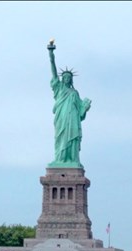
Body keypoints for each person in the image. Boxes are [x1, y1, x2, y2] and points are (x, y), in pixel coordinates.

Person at [47, 40, 91, 168]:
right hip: (61, 117)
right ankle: (60, 159)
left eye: (68, 77)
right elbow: (53, 71)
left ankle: (72, 159)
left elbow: (80, 112)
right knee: (60, 138)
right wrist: (51, 54)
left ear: (71, 80)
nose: (66, 78)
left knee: (72, 139)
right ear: (62, 79)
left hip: (72, 119)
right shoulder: (59, 88)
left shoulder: (74, 93)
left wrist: (85, 107)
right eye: (64, 77)